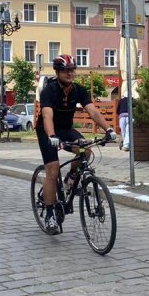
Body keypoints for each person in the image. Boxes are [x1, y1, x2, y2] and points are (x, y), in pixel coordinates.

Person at [37, 54, 116, 233]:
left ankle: (69, 181)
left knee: (86, 151)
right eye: (66, 70)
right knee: (53, 169)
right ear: (57, 72)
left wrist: (109, 130)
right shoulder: (49, 91)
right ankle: (50, 216)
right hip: (46, 131)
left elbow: (93, 112)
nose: (70, 73)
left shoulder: (78, 90)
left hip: (66, 129)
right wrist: (51, 136)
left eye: (72, 70)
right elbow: (47, 115)